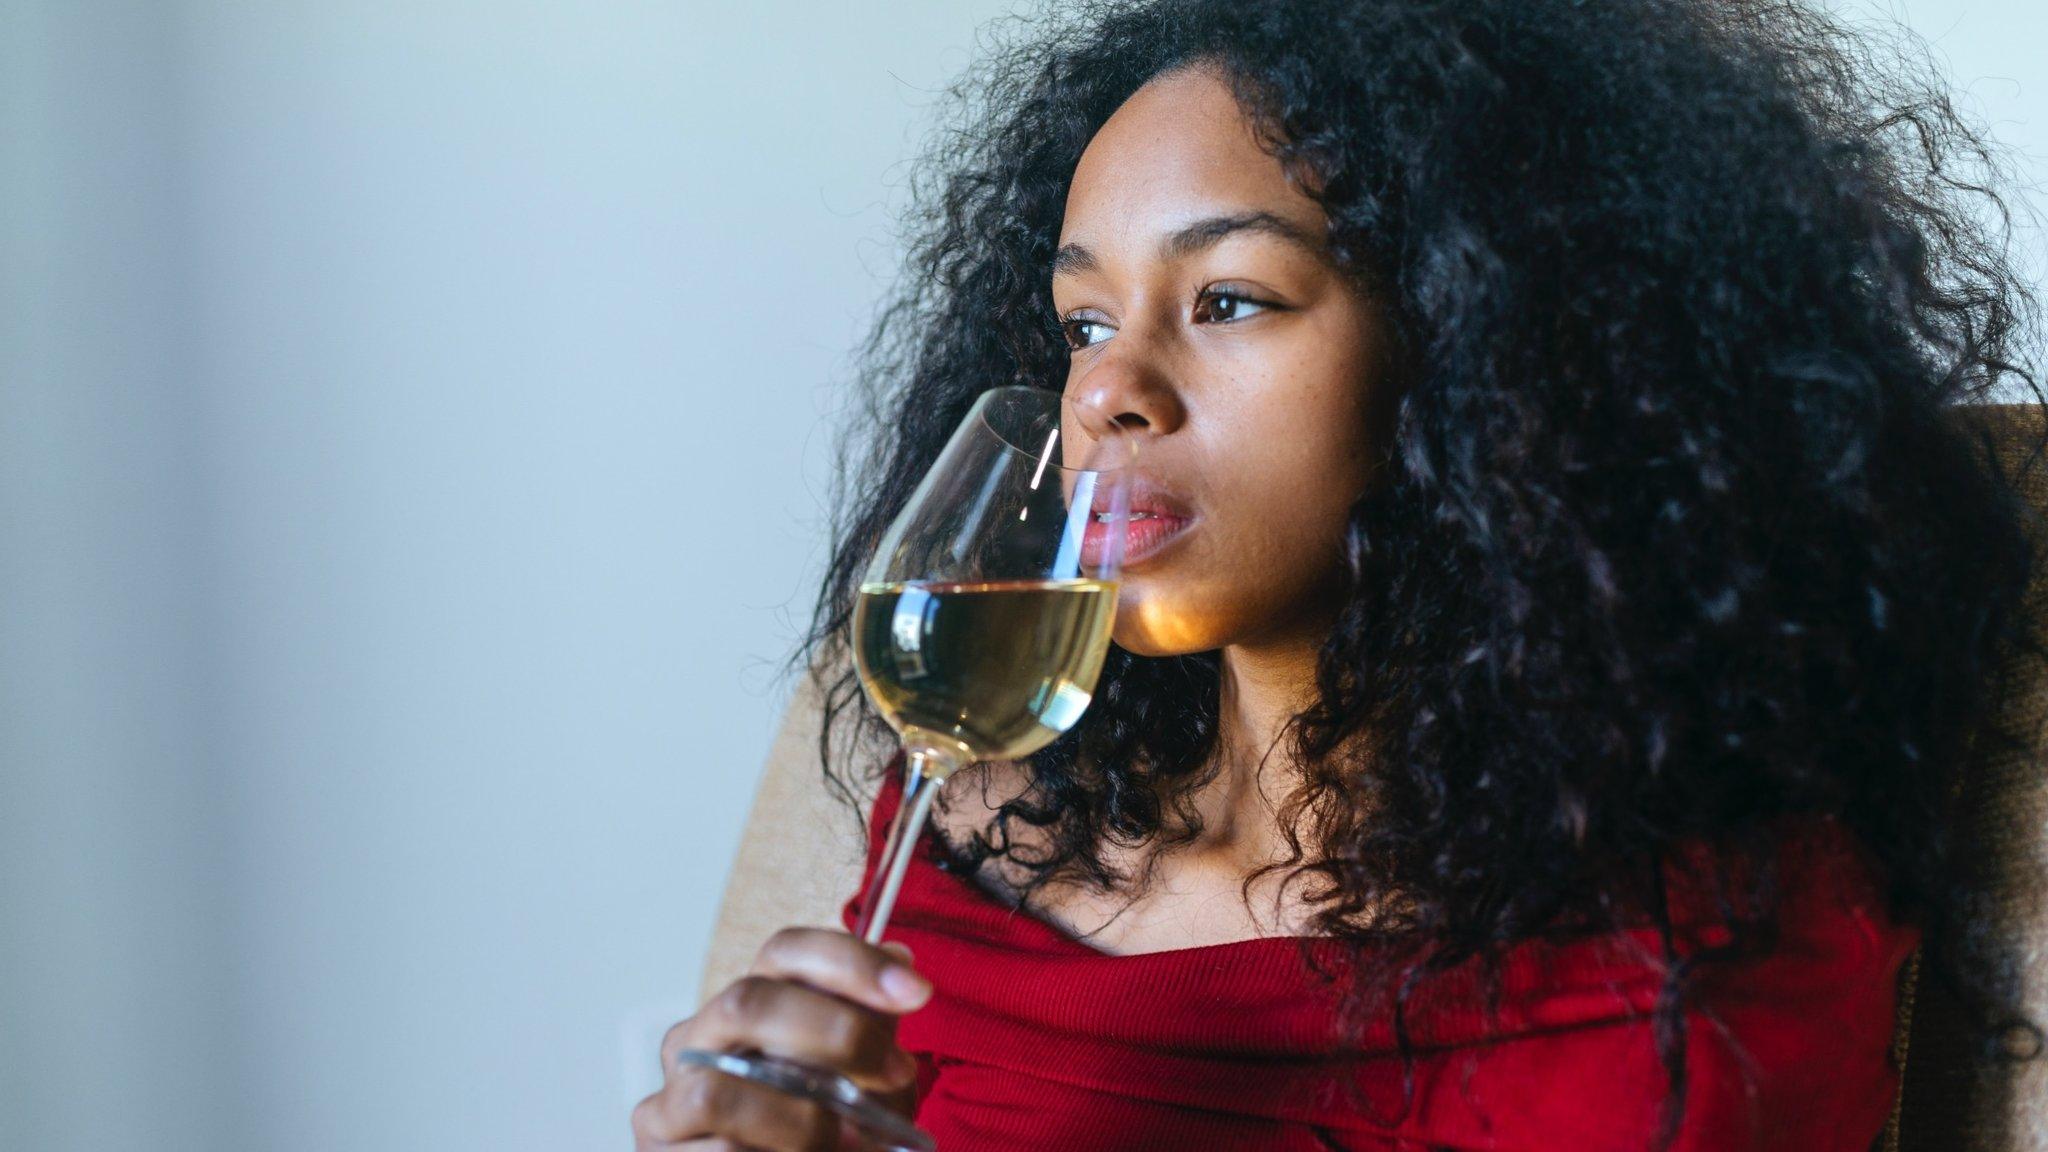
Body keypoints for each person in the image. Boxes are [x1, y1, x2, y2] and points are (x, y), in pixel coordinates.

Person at [634, 0, 2048, 1147]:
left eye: (1230, 298)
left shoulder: (1689, 956)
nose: (1105, 391)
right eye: (1079, 322)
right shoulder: (968, 822)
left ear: (1482, 353)